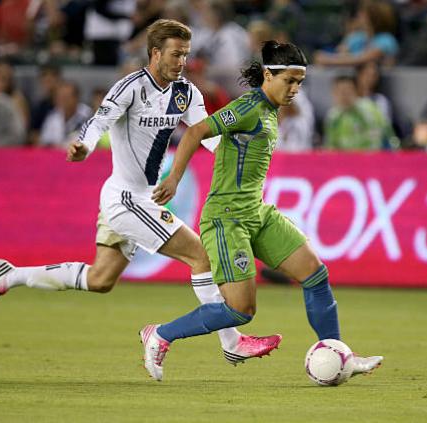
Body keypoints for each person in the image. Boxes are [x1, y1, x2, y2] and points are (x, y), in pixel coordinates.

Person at [0, 19, 280, 366]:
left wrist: (239, 149)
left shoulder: (187, 93)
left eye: (186, 55)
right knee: (201, 256)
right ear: (155, 53)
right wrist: (84, 147)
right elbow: (98, 122)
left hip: (138, 199)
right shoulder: (130, 88)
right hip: (124, 199)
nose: (182, 62)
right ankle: (232, 342)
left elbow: (206, 137)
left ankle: (10, 274)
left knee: (100, 279)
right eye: (176, 54)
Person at [142, 40, 383, 381]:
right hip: (227, 219)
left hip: (256, 213)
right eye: (290, 81)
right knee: (241, 310)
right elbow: (196, 131)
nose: (295, 89)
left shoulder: (269, 110)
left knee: (315, 275)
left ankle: (339, 353)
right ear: (268, 75)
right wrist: (175, 179)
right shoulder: (249, 107)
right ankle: (162, 334)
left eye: (300, 82)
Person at [324, 75, 398, 150]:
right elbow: (331, 147)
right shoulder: (333, 116)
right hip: (344, 159)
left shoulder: (369, 110)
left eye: (347, 91)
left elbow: (378, 141)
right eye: (339, 91)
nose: (343, 96)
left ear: (356, 91)